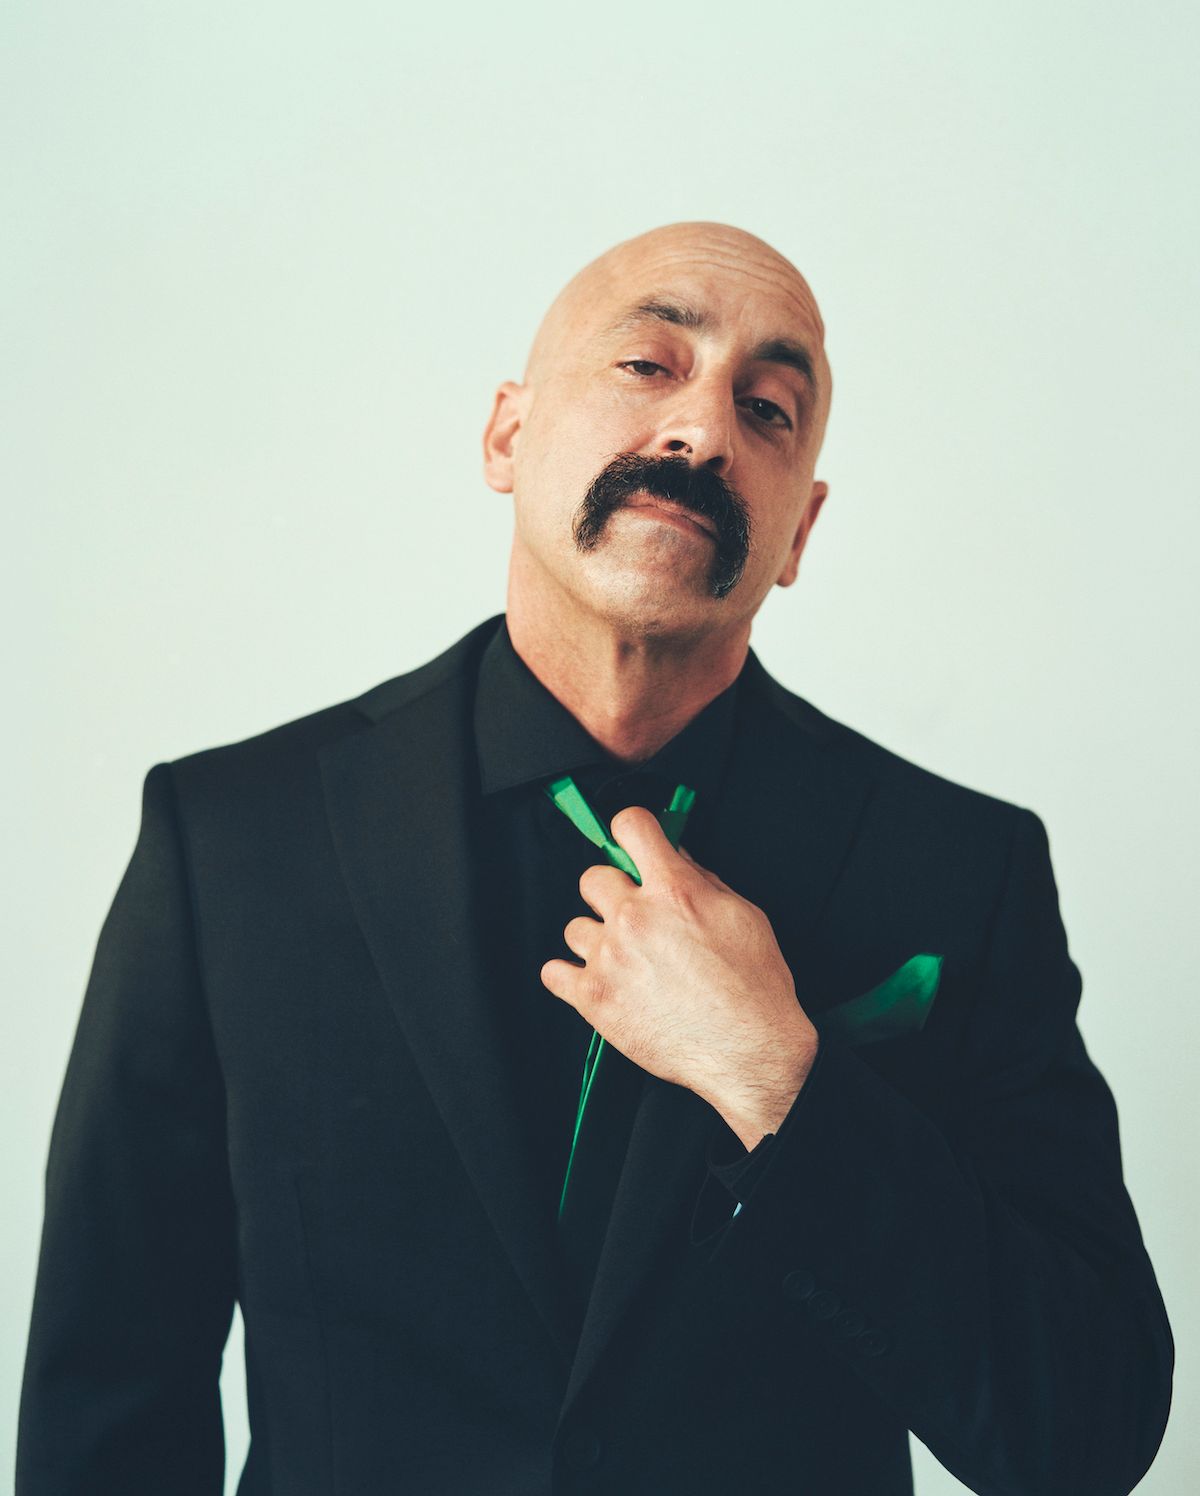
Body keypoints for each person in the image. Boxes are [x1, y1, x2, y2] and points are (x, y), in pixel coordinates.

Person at [18, 221, 1173, 1495]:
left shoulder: (961, 869)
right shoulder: (232, 838)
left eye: (768, 408)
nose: (703, 430)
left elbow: (1086, 1429)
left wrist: (779, 1077)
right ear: (507, 436)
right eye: (648, 364)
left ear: (799, 531)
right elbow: (110, 1397)